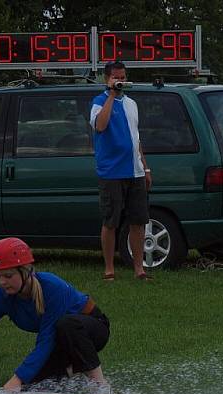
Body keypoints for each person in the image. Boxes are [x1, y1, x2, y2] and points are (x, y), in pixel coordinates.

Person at [0, 237, 110, 392]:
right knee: (32, 385)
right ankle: (70, 368)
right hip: (60, 341)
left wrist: (16, 380)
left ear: (26, 272)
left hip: (92, 330)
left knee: (66, 325)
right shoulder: (4, 296)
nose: (2, 282)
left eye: (8, 275)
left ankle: (101, 386)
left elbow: (46, 340)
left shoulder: (52, 287)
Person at [90, 61, 153, 281]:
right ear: (107, 79)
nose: (121, 81)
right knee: (111, 221)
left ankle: (139, 268)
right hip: (111, 173)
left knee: (138, 221)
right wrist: (110, 95)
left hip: (134, 172)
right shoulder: (98, 102)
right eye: (116, 77)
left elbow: (137, 139)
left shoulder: (132, 104)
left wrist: (145, 167)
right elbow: (100, 126)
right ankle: (109, 269)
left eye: (123, 77)